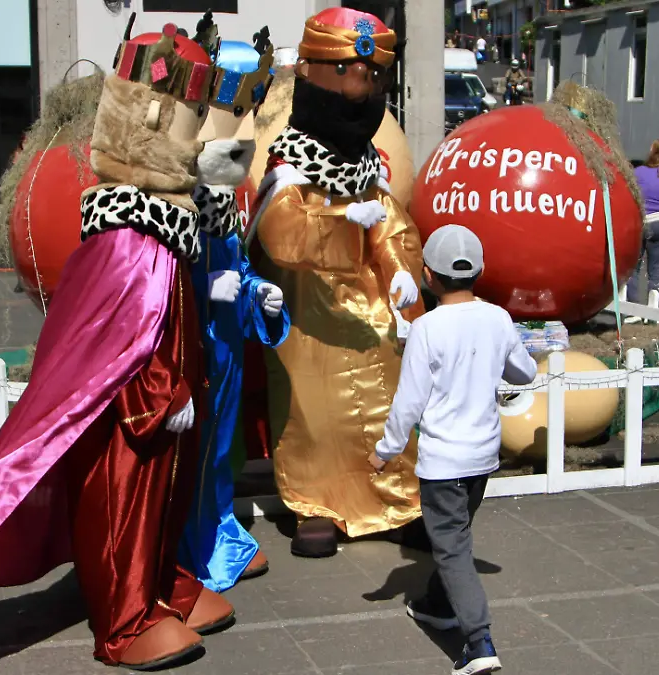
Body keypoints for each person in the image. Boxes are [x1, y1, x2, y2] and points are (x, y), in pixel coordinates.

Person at [0, 20, 237, 670]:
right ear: (155, 121)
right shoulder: (127, 237)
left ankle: (165, 584)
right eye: (193, 121)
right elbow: (113, 343)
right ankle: (125, 620)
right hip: (136, 415)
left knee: (168, 495)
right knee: (128, 501)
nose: (200, 139)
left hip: (173, 403)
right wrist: (157, 394)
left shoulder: (164, 224)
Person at [250, 7, 425, 558]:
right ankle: (317, 504)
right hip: (312, 314)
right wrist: (340, 220)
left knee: (389, 405)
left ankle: (398, 501)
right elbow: (282, 233)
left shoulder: (367, 167)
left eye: (370, 77)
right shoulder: (289, 167)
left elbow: (391, 229)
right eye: (350, 72)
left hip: (371, 314)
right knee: (316, 412)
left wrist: (401, 274)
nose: (360, 89)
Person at [369, 224, 537, 675]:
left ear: (427, 275)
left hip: (443, 460)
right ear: (480, 271)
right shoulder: (498, 318)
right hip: (483, 456)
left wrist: (386, 449)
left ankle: (478, 642)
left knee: (452, 547)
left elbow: (409, 401)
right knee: (455, 539)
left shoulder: (426, 328)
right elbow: (524, 373)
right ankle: (436, 603)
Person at [180, 32, 290, 593]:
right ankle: (187, 547)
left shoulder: (221, 199)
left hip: (223, 349)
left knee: (219, 446)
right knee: (190, 450)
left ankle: (219, 529)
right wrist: (202, 289)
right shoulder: (173, 199)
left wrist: (256, 294)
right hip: (188, 349)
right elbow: (149, 278)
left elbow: (236, 267)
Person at [626, 139, 659, 316]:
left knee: (634, 268)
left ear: (652, 152)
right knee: (655, 271)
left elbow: (628, 198)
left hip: (641, 224)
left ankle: (634, 311)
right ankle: (653, 312)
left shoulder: (638, 172)